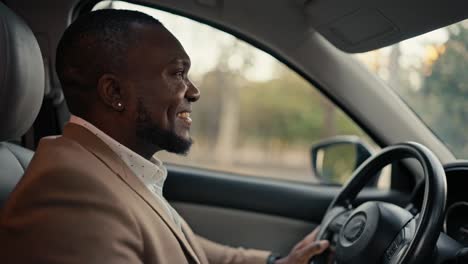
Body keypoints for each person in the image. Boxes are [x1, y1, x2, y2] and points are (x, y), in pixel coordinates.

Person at [0, 9, 329, 264]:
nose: (194, 91)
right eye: (177, 73)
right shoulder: (68, 193)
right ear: (114, 92)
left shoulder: (109, 165)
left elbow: (185, 248)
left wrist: (276, 261)